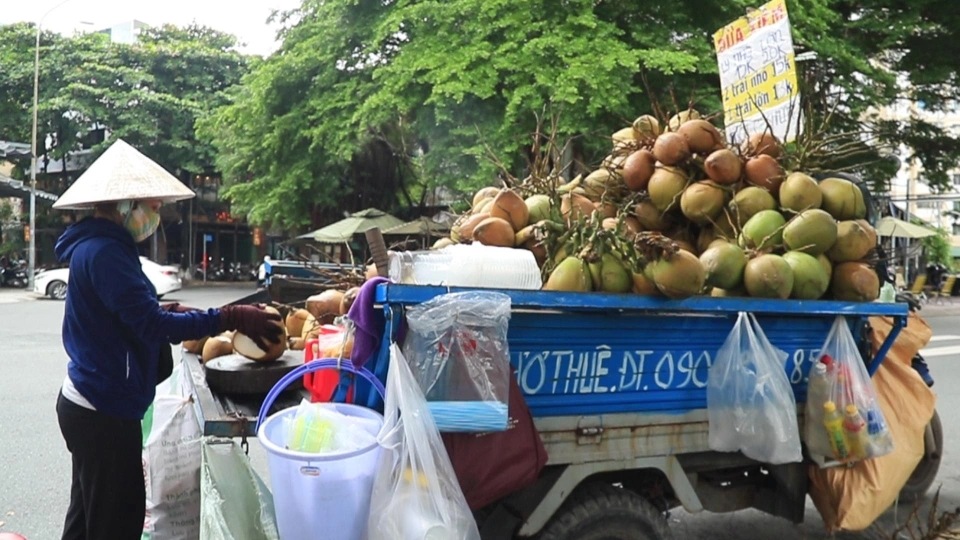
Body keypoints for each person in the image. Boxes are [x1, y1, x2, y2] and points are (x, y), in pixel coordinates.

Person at [50, 139, 284, 540]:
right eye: (153, 207)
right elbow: (152, 325)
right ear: (126, 206)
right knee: (114, 525)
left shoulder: (106, 249)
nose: (157, 215)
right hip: (102, 410)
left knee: (87, 521)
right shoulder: (105, 253)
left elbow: (137, 313)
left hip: (90, 403)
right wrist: (228, 317)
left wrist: (182, 313)